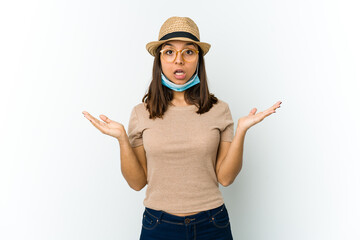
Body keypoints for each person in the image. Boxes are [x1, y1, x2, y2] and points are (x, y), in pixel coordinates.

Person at [82, 16, 281, 240]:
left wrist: (242, 130)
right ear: (159, 60)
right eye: (169, 52)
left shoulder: (220, 110)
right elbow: (137, 183)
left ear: (198, 59)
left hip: (212, 224)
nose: (179, 60)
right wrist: (121, 138)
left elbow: (225, 178)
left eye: (188, 51)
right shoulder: (140, 113)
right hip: (158, 226)